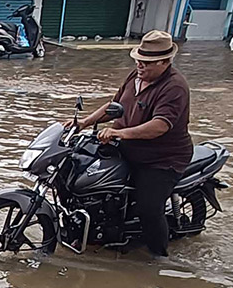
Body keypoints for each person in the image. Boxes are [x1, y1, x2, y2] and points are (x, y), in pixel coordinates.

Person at [75, 30, 193, 257]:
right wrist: (84, 123)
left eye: (147, 62)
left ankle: (159, 257)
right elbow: (114, 105)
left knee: (148, 208)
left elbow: (160, 125)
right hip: (129, 149)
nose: (140, 64)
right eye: (139, 59)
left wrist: (121, 134)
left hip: (161, 159)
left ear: (165, 62)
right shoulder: (135, 77)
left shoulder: (174, 86)